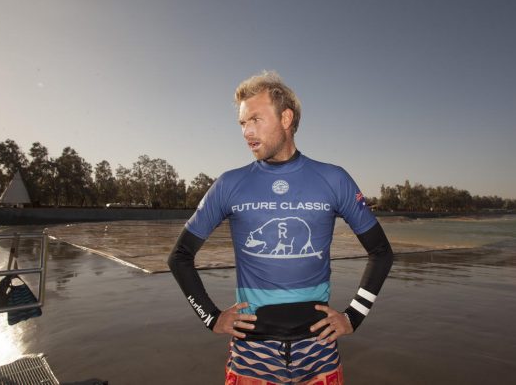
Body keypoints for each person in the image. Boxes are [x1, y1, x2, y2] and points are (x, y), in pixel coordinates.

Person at [168, 71, 393, 384]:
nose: (247, 132)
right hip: (251, 353)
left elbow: (381, 252)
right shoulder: (230, 184)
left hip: (320, 350)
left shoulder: (334, 179)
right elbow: (179, 256)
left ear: (286, 118)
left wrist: (354, 316)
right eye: (242, 123)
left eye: (256, 120)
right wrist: (212, 317)